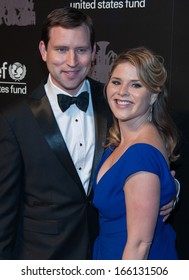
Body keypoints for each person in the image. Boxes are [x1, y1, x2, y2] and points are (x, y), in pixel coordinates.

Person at [0, 8, 176, 260]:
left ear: (94, 53)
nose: (72, 61)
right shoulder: (15, 121)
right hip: (45, 258)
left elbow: (146, 157)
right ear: (43, 50)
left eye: (81, 50)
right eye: (61, 49)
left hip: (105, 249)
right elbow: (4, 210)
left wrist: (171, 190)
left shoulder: (114, 101)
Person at [92, 47, 179, 260]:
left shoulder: (140, 155)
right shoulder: (126, 138)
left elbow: (139, 245)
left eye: (136, 85)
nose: (122, 91)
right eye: (116, 82)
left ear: (153, 95)